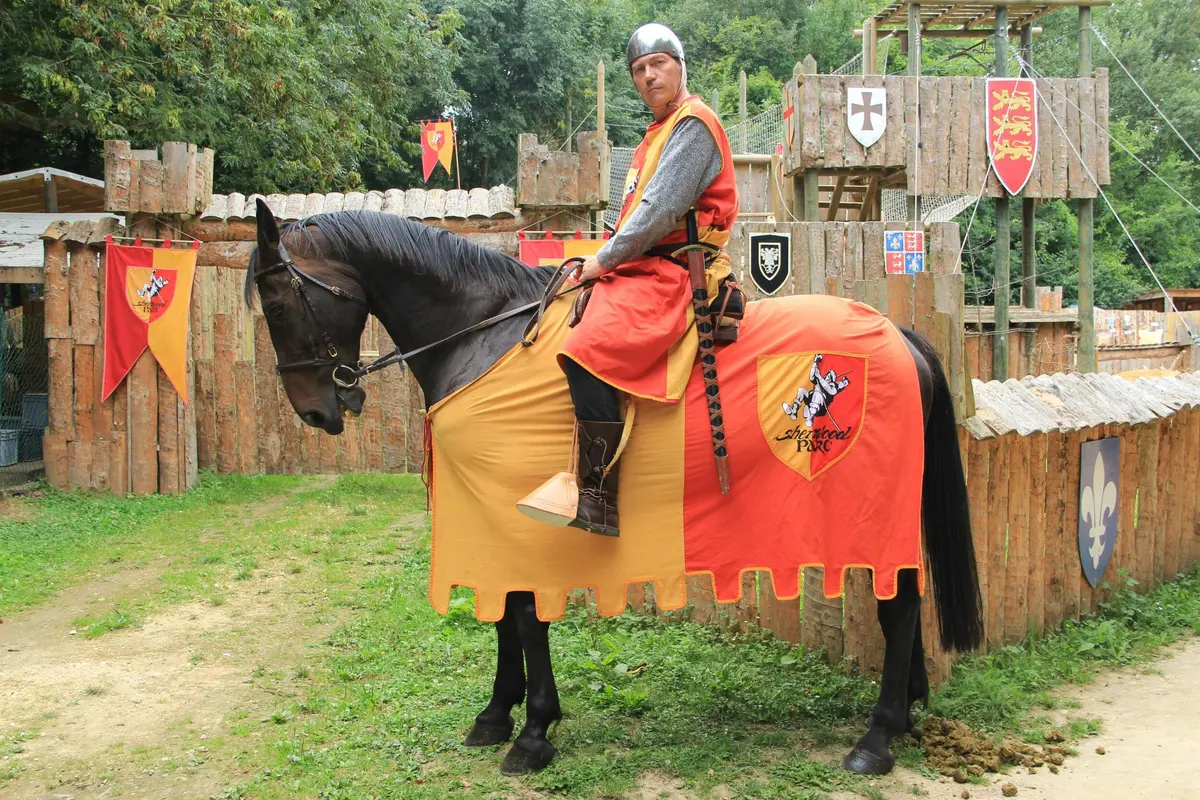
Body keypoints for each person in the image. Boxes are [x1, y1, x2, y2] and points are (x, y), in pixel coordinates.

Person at [518, 22, 740, 537]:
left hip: (675, 269)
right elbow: (631, 216)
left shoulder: (694, 125)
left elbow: (659, 213)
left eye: (657, 64)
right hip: (644, 263)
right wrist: (598, 262)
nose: (648, 76)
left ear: (680, 66)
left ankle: (598, 498)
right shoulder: (651, 139)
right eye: (639, 70)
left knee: (586, 350)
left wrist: (604, 260)